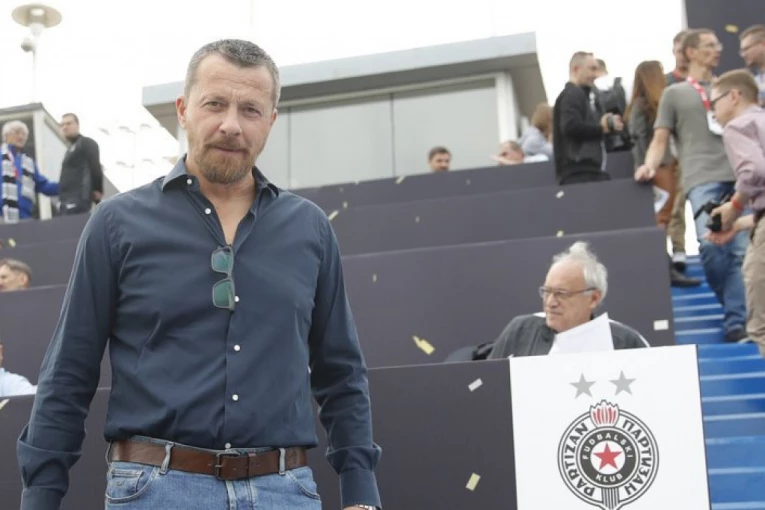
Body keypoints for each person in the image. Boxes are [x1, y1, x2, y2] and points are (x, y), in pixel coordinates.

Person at [18, 39, 381, 510]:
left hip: (285, 492)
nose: (231, 124)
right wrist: (41, 495)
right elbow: (69, 370)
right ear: (183, 110)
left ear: (270, 121)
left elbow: (341, 371)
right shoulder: (116, 224)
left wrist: (360, 491)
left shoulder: (310, 228)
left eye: (250, 109)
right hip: (154, 491)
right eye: (215, 104)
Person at [636, 28, 749, 342]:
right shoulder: (674, 93)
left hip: (742, 177)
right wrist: (649, 164)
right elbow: (660, 138)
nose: (718, 49)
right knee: (711, 246)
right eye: (710, 45)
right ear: (691, 52)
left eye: (717, 44)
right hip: (701, 179)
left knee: (740, 250)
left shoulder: (732, 88)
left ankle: (736, 321)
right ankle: (734, 305)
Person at [488, 241, 649, 358]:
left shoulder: (625, 342)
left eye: (561, 294)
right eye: (547, 292)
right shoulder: (521, 330)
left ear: (593, 298)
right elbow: (490, 383)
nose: (550, 302)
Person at [625, 60, 700, 287]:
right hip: (658, 170)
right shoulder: (642, 106)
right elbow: (638, 139)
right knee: (660, 219)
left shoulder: (654, 104)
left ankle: (665, 266)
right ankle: (663, 268)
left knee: (666, 217)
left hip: (668, 166)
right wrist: (645, 168)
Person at [707, 69, 765, 355]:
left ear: (733, 96)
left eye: (714, 103)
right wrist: (739, 224)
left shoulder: (737, 126)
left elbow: (754, 171)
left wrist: (734, 205)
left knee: (760, 325)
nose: (713, 112)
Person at [553, 52, 623, 185]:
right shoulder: (572, 94)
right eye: (592, 69)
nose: (596, 74)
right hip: (580, 173)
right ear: (576, 69)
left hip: (587, 171)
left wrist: (607, 127)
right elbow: (570, 126)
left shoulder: (583, 96)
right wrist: (601, 128)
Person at [665, 30, 690, 269]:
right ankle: (678, 249)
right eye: (679, 50)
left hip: (701, 152)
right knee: (676, 203)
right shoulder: (666, 82)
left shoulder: (705, 81)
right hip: (675, 152)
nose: (683, 55)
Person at [1, 120, 59, 223]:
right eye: (17, 132)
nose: (21, 137)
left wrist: (66, 186)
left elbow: (42, 185)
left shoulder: (28, 162)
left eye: (24, 134)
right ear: (6, 136)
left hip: (24, 218)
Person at [58, 113, 103, 215]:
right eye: (62, 125)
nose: (65, 127)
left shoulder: (86, 143)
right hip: (65, 202)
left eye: (68, 123)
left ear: (77, 125)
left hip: (79, 199)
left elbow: (95, 166)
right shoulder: (69, 150)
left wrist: (97, 189)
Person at [738, 25, 765, 105]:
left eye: (746, 49)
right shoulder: (754, 82)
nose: (743, 55)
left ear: (763, 44)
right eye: (742, 51)